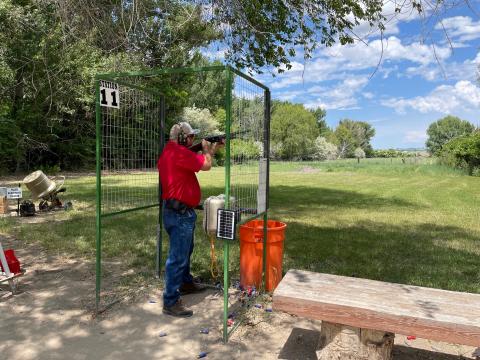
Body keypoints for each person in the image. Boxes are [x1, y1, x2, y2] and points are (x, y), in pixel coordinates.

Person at [158, 121, 222, 317]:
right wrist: (208, 150)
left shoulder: (170, 151)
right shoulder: (179, 152)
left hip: (175, 212)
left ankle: (185, 282)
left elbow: (192, 164)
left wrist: (208, 148)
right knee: (177, 257)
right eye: (191, 137)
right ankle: (170, 301)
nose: (193, 139)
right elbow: (206, 165)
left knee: (185, 252)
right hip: (180, 214)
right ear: (182, 138)